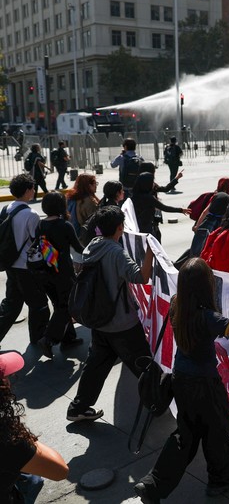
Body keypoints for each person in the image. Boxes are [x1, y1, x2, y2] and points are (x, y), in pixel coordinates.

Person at [134, 260, 229, 502]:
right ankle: (223, 478)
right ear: (205, 285)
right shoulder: (207, 317)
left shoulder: (177, 304)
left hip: (181, 380)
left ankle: (152, 484)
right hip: (205, 385)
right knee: (216, 431)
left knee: (186, 435)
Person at [66, 206, 155, 422]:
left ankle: (78, 407)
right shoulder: (116, 252)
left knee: (96, 365)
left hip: (99, 321)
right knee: (144, 364)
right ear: (119, 227)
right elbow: (141, 277)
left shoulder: (92, 246)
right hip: (121, 323)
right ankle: (156, 402)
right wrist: (150, 253)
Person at [0, 351, 69, 502]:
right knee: (33, 480)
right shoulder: (6, 438)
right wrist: (18, 432)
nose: (8, 381)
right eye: (4, 378)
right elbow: (59, 471)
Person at [0, 173, 50, 345]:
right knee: (39, 304)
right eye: (33, 188)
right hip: (26, 267)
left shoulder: (6, 209)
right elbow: (40, 242)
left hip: (10, 265)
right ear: (28, 190)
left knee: (11, 305)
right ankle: (38, 338)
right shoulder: (31, 214)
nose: (34, 191)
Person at [35, 192, 85, 358]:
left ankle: (68, 338)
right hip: (63, 273)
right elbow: (78, 248)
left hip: (46, 273)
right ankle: (48, 339)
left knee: (59, 305)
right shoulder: (64, 225)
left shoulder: (41, 225)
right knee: (66, 306)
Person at [130, 173, 190, 241]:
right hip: (146, 227)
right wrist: (181, 210)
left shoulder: (133, 196)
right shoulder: (148, 198)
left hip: (136, 227)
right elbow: (164, 208)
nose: (153, 184)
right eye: (152, 182)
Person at [190, 177, 229, 257]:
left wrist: (197, 226)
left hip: (203, 226)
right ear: (227, 186)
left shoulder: (217, 195)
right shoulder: (223, 198)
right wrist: (197, 226)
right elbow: (206, 212)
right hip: (210, 227)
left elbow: (205, 212)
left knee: (198, 250)